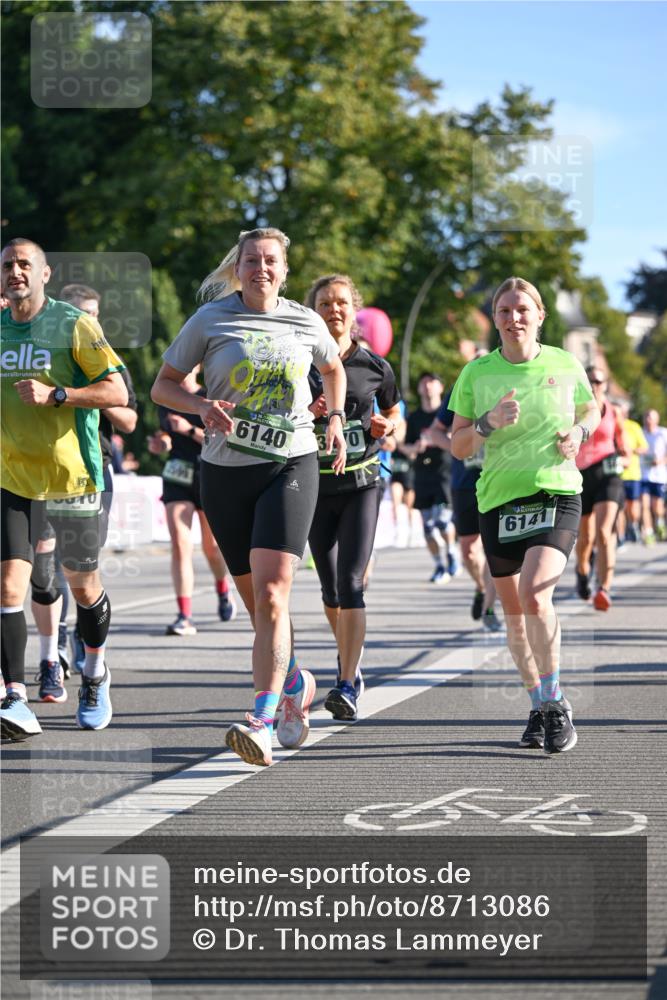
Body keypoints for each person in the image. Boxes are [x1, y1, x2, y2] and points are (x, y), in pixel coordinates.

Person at [151, 227, 346, 766]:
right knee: (260, 609)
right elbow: (163, 385)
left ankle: (259, 719)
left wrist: (334, 415)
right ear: (237, 268)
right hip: (224, 471)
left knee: (273, 593)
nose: (261, 267)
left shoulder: (305, 321)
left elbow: (332, 368)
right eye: (251, 260)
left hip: (291, 462)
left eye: (271, 261)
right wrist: (202, 408)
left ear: (285, 271)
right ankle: (295, 683)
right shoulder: (210, 320)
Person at [449, 276, 600, 754]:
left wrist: (579, 431)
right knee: (514, 618)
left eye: (522, 310)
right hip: (498, 501)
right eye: (504, 311)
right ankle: (538, 703)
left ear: (539, 316)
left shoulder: (564, 362)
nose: (514, 318)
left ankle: (555, 702)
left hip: (555, 492)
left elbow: (591, 408)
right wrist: (487, 423)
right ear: (495, 320)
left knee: (536, 596)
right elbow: (457, 445)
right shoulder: (476, 373)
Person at [0, 239, 128, 739]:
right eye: (7, 265)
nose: (15, 272)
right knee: (10, 587)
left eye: (24, 265)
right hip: (12, 478)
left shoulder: (73, 323)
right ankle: (15, 698)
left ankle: (95, 674)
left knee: (82, 587)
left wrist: (59, 394)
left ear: (45, 274)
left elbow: (116, 391)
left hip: (72, 478)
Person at [305, 274, 404, 722]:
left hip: (362, 483)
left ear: (353, 310)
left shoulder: (375, 366)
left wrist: (389, 427)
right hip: (312, 487)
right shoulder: (299, 364)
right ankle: (350, 659)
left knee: (352, 584)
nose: (333, 309)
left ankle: (346, 680)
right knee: (329, 591)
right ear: (313, 311)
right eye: (324, 302)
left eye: (341, 302)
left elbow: (393, 413)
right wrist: (309, 413)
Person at [33, 283, 138, 679]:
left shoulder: (109, 362)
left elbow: (129, 419)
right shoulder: (41, 357)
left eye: (95, 313)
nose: (91, 320)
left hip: (94, 471)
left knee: (79, 568)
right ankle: (55, 644)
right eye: (82, 314)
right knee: (45, 564)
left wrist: (86, 395)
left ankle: (83, 639)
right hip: (42, 470)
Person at [147, 364, 237, 635]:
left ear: (198, 366)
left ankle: (223, 588)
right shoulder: (167, 398)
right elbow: (164, 433)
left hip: (209, 473)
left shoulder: (210, 395)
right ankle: (184, 615)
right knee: (180, 544)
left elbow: (225, 438)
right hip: (177, 475)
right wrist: (161, 443)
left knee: (211, 547)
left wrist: (188, 430)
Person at [421, 375, 503, 632]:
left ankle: (489, 606)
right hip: (465, 483)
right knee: (468, 551)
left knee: (493, 550)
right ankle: (481, 588)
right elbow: (434, 432)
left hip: (498, 480)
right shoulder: (460, 393)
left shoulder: (505, 390)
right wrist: (458, 447)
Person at [573, 367, 627, 611]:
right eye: (590, 380)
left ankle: (604, 589)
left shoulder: (615, 412)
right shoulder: (575, 411)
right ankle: (582, 572)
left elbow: (624, 449)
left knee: (604, 533)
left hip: (608, 475)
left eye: (598, 381)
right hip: (581, 476)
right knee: (585, 539)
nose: (594, 385)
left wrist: (623, 460)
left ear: (605, 385)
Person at [398, 373, 460, 583]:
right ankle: (439, 564)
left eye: (432, 382)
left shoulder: (447, 412)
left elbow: (459, 436)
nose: (427, 386)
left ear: (440, 387)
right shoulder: (414, 418)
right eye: (423, 382)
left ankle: (452, 553)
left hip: (444, 473)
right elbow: (403, 446)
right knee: (427, 528)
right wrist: (415, 447)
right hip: (422, 475)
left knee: (442, 522)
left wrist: (442, 438)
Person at [617, 400, 648, 543]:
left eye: (623, 412)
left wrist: (631, 451)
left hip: (633, 473)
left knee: (633, 506)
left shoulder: (633, 426)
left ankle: (633, 524)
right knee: (619, 508)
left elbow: (644, 447)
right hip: (617, 474)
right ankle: (621, 537)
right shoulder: (613, 425)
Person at [639, 409, 667, 544]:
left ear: (657, 419)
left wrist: (661, 461)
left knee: (657, 506)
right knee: (644, 505)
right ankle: (649, 533)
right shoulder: (641, 433)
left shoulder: (663, 433)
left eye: (650, 417)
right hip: (644, 475)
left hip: (659, 475)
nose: (648, 420)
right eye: (646, 417)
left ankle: (660, 522)